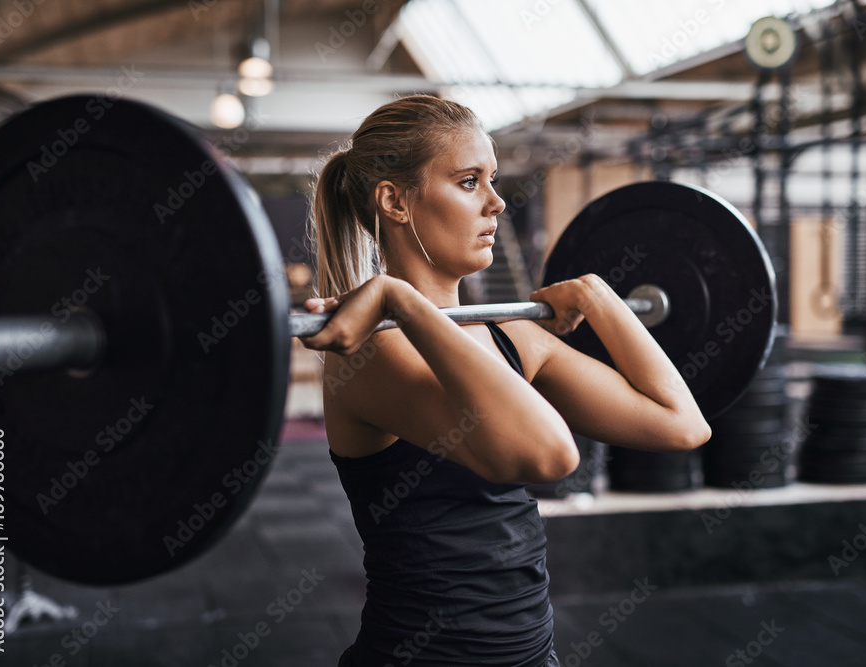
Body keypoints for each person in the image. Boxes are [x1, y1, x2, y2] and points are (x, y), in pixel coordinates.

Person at [298, 95, 710, 667]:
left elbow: (682, 424)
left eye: (493, 180)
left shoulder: (514, 337)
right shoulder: (373, 351)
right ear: (394, 200)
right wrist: (403, 300)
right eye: (469, 182)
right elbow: (547, 456)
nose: (496, 203)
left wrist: (599, 295)